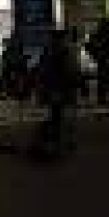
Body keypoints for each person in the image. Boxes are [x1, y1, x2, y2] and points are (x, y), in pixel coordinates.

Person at [32, 28, 82, 161]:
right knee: (59, 117)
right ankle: (58, 145)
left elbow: (42, 71)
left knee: (57, 116)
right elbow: (70, 72)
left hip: (55, 90)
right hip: (59, 89)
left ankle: (56, 144)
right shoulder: (63, 52)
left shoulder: (50, 51)